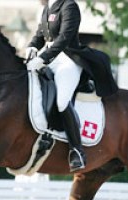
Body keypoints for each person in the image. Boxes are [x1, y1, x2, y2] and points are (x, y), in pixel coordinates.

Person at [26, 0, 118, 172]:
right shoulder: (48, 7)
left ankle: (77, 150)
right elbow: (41, 34)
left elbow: (64, 38)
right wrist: (32, 46)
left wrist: (43, 57)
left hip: (67, 59)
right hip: (49, 57)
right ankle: (43, 134)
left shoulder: (69, 6)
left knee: (61, 101)